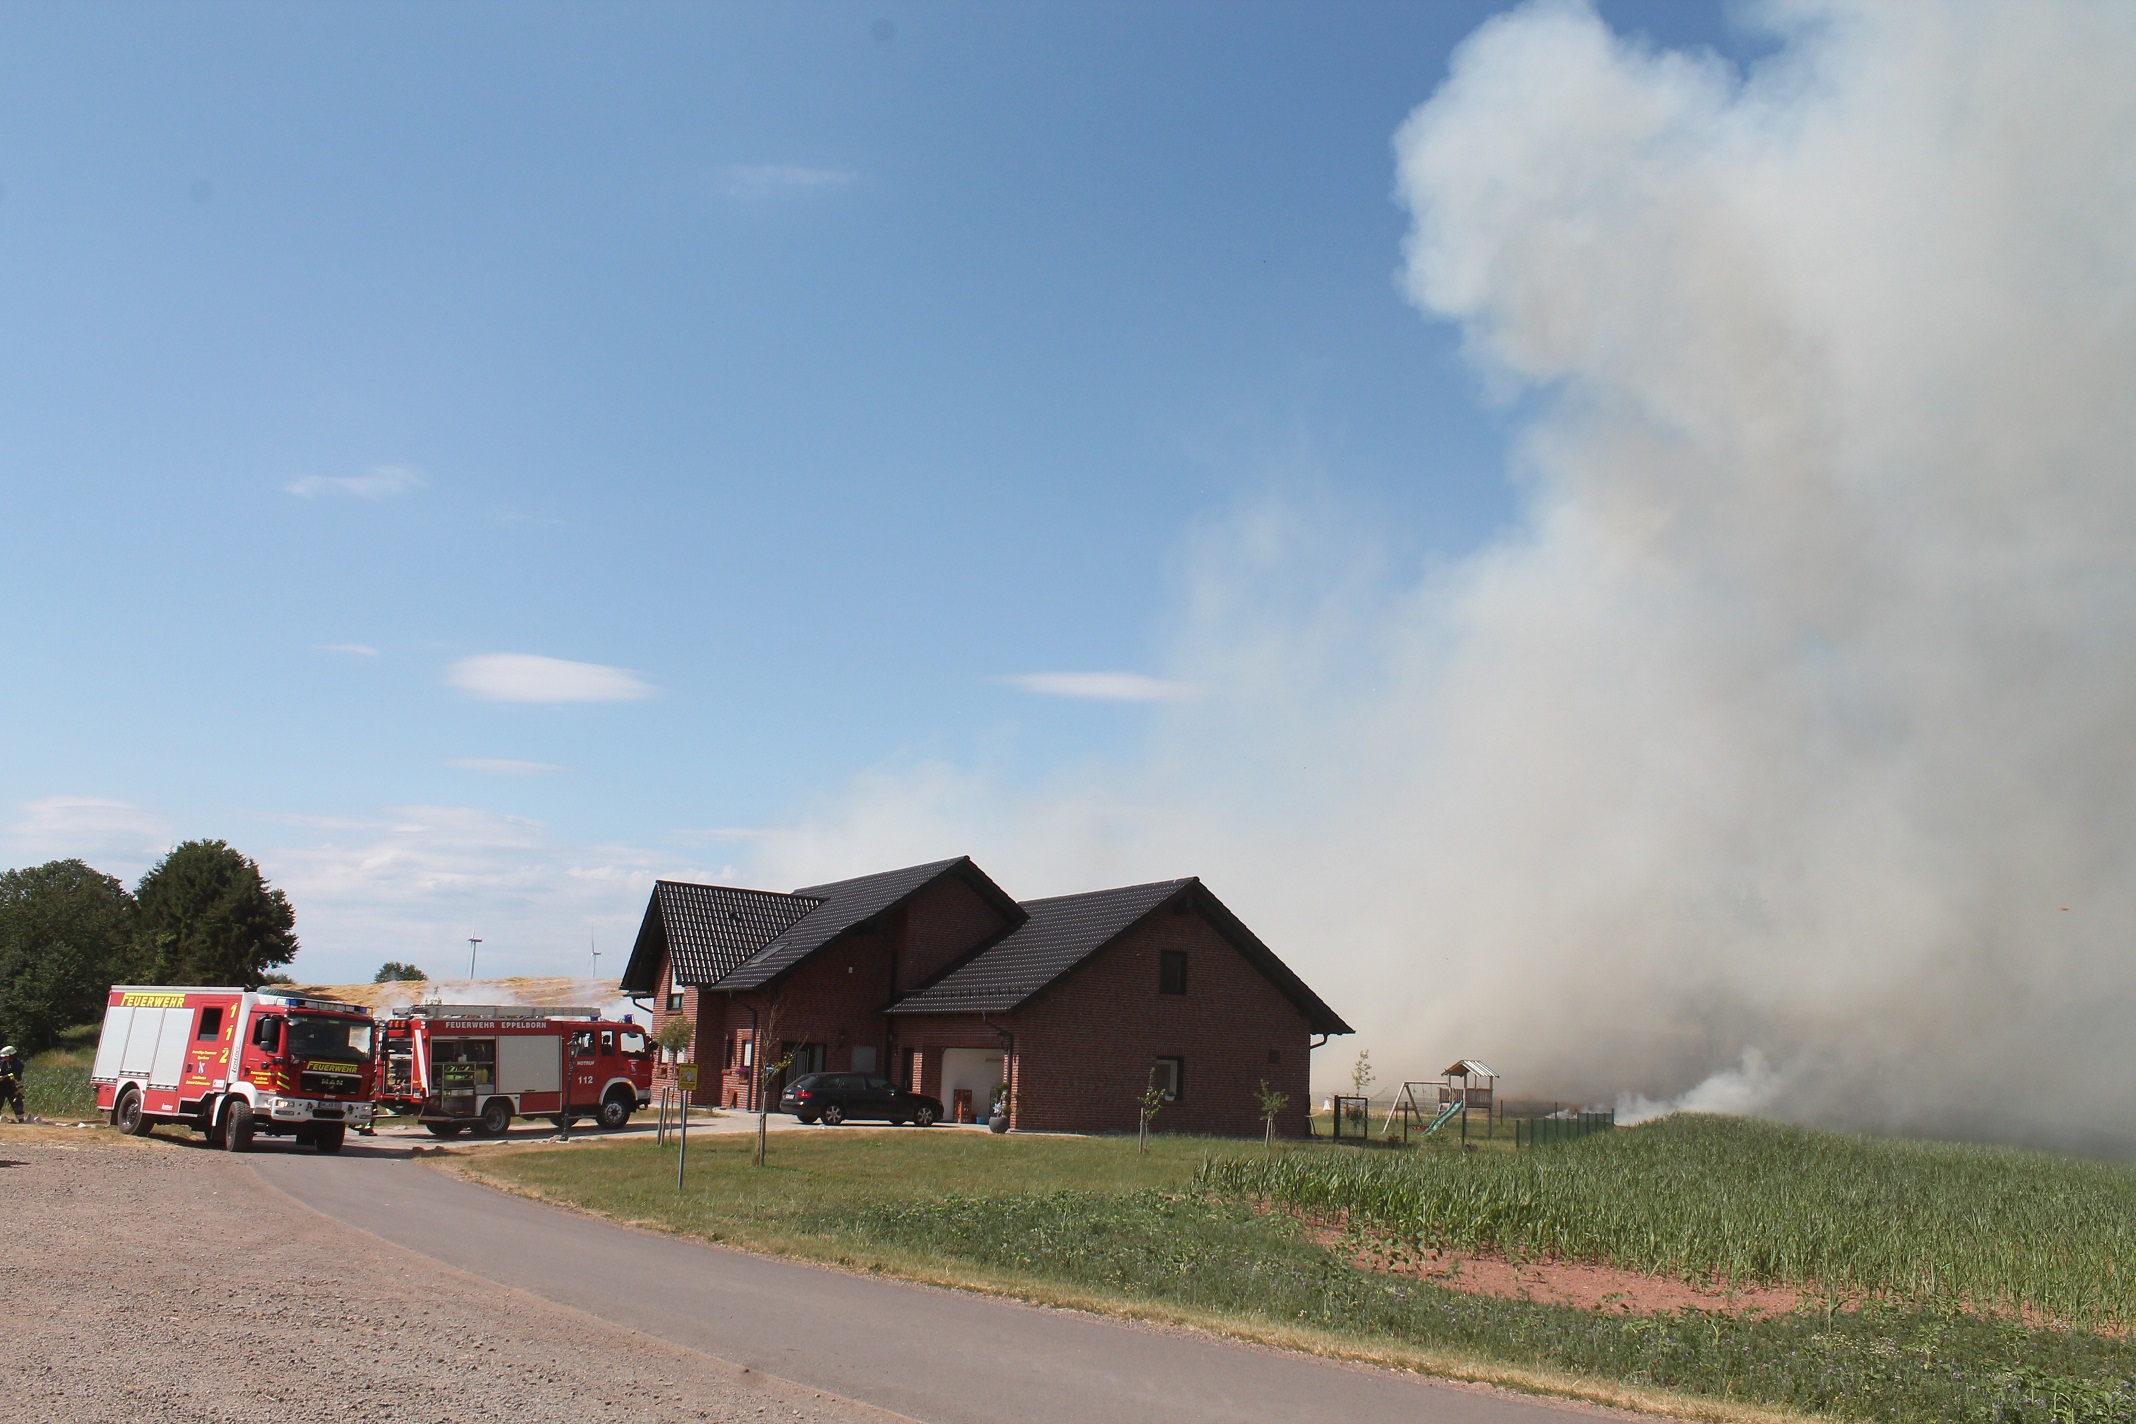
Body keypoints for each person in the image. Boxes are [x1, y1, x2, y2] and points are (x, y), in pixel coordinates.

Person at [0, 1046, 25, 1123]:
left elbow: (16, 1075)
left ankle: (21, 1120)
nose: (4, 1058)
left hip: (13, 1086)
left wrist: (4, 1077)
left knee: (17, 1103)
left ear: (11, 1055)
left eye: (5, 1057)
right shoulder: (2, 1062)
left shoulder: (18, 1064)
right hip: (2, 1086)